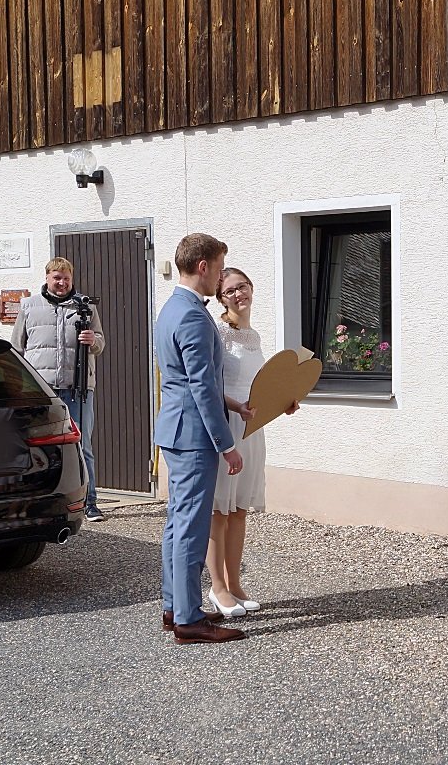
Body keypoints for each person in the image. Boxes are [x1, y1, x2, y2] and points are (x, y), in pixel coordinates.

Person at [154, 233, 246, 645]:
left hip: (176, 429)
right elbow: (200, 388)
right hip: (193, 435)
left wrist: (235, 403)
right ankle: (189, 620)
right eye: (221, 266)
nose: (222, 275)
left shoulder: (172, 308)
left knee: (178, 524)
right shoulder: (191, 314)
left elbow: (196, 380)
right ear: (204, 266)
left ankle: (176, 607)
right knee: (190, 527)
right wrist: (226, 443)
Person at [206, 267, 299, 618]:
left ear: (251, 288)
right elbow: (210, 383)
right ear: (221, 298)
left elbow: (258, 384)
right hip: (227, 423)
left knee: (239, 509)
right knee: (219, 510)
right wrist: (237, 407)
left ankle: (235, 583)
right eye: (230, 291)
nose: (238, 294)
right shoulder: (217, 332)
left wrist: (283, 401)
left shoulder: (254, 335)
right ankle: (216, 587)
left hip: (252, 426)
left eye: (242, 287)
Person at [12, 257, 106, 522]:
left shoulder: (85, 306)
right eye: (57, 277)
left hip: (78, 389)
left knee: (82, 445)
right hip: (42, 391)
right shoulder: (29, 307)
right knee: (34, 446)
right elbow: (17, 349)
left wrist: (93, 340)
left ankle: (90, 503)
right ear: (47, 277)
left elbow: (100, 342)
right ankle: (35, 499)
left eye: (66, 278)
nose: (62, 282)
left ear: (71, 279)